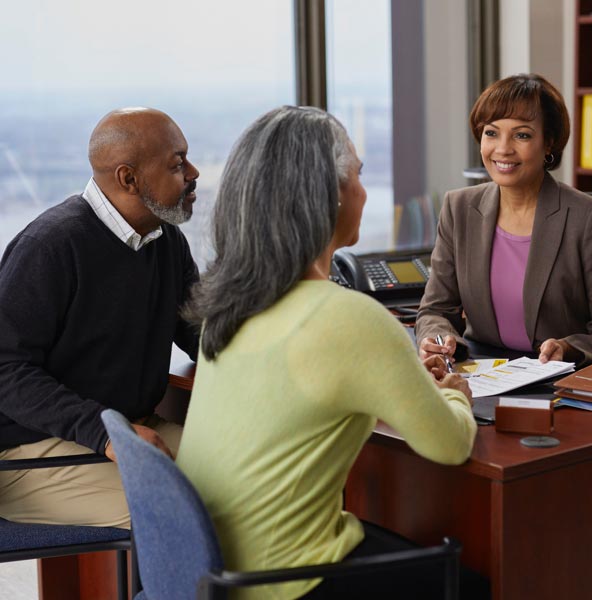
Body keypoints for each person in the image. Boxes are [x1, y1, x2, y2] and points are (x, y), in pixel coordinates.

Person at [177, 106, 483, 599]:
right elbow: (449, 445)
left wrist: (398, 377)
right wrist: (454, 394)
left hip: (211, 572)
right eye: (359, 175)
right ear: (332, 194)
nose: (364, 191)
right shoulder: (350, 317)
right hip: (285, 582)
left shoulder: (227, 303)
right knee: (477, 585)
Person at [0, 107, 200, 528]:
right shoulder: (50, 246)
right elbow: (5, 370)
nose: (194, 173)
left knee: (253, 482)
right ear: (129, 178)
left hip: (130, 428)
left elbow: (201, 334)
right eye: (178, 164)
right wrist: (105, 433)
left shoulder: (165, 240)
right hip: (28, 450)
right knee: (179, 513)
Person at [415, 73, 592, 367]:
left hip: (558, 380)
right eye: (491, 133)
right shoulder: (459, 208)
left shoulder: (587, 217)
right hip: (482, 373)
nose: (503, 149)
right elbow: (435, 310)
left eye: (522, 135)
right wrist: (440, 340)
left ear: (549, 143)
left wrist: (567, 348)